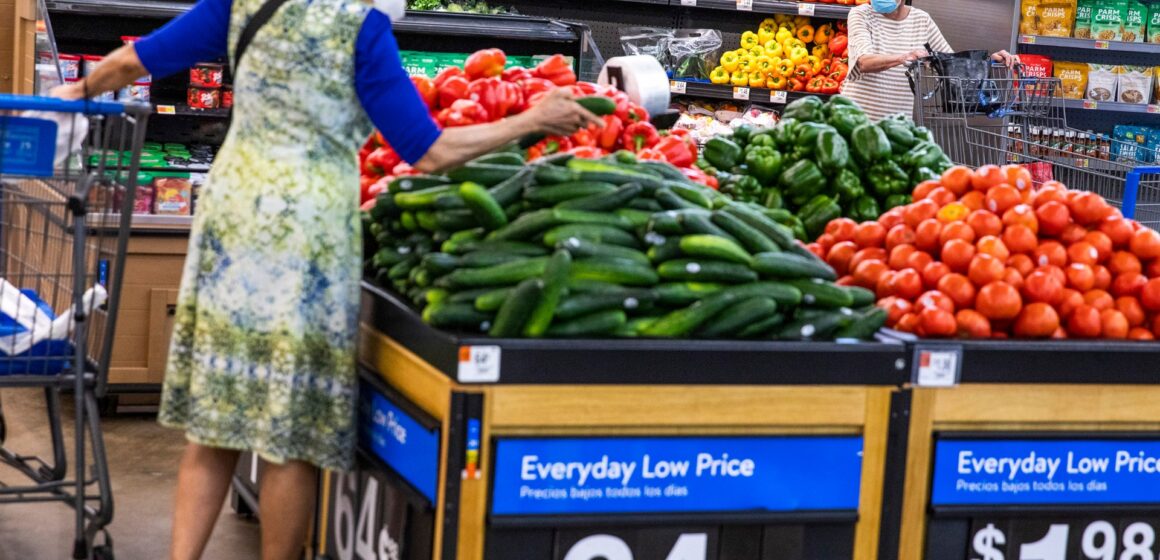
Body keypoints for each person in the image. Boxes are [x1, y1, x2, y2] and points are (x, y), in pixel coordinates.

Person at [52, 0, 602, 557]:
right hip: (308, 236)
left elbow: (137, 60)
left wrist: (76, 91)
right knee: (291, 435)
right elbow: (431, 152)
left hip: (234, 220)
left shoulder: (241, 5)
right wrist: (531, 120)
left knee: (214, 420)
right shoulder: (361, 30)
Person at [841, 0, 1017, 121]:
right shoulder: (860, 14)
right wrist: (903, 57)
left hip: (896, 128)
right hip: (854, 122)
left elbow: (953, 66)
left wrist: (989, 61)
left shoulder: (921, 20)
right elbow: (864, 62)